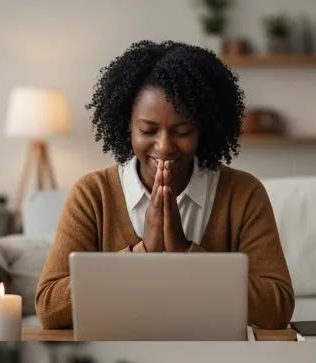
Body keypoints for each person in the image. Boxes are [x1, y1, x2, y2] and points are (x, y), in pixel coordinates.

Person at [35, 40, 293, 330]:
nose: (164, 146)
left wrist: (185, 253)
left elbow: (278, 308)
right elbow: (49, 308)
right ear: (127, 126)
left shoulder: (243, 193)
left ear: (202, 129)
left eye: (182, 131)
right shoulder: (93, 194)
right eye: (148, 130)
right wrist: (142, 253)